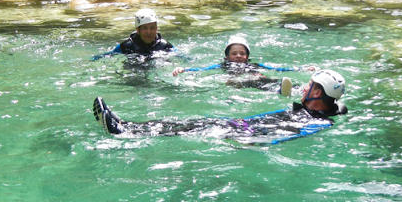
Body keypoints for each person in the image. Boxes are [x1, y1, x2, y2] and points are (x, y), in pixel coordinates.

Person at [91, 70, 348, 142]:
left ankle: (123, 131)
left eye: (310, 85)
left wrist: (252, 141)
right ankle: (127, 127)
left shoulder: (317, 121)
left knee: (188, 129)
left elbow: (293, 133)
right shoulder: (321, 112)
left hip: (243, 132)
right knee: (188, 124)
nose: (304, 87)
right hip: (242, 125)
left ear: (317, 92)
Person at [171, 36, 316, 96]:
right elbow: (203, 69)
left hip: (254, 79)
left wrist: (302, 69)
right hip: (237, 83)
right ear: (227, 56)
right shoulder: (223, 66)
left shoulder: (253, 65)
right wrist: (184, 69)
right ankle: (280, 91)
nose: (239, 56)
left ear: (247, 56)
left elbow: (278, 68)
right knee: (251, 81)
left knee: (265, 78)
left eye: (242, 53)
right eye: (234, 53)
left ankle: (298, 89)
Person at [92, 8, 174, 59]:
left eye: (152, 28)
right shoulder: (127, 45)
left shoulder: (164, 45)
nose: (149, 32)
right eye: (145, 28)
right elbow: (109, 55)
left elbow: (181, 55)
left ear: (156, 29)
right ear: (138, 30)